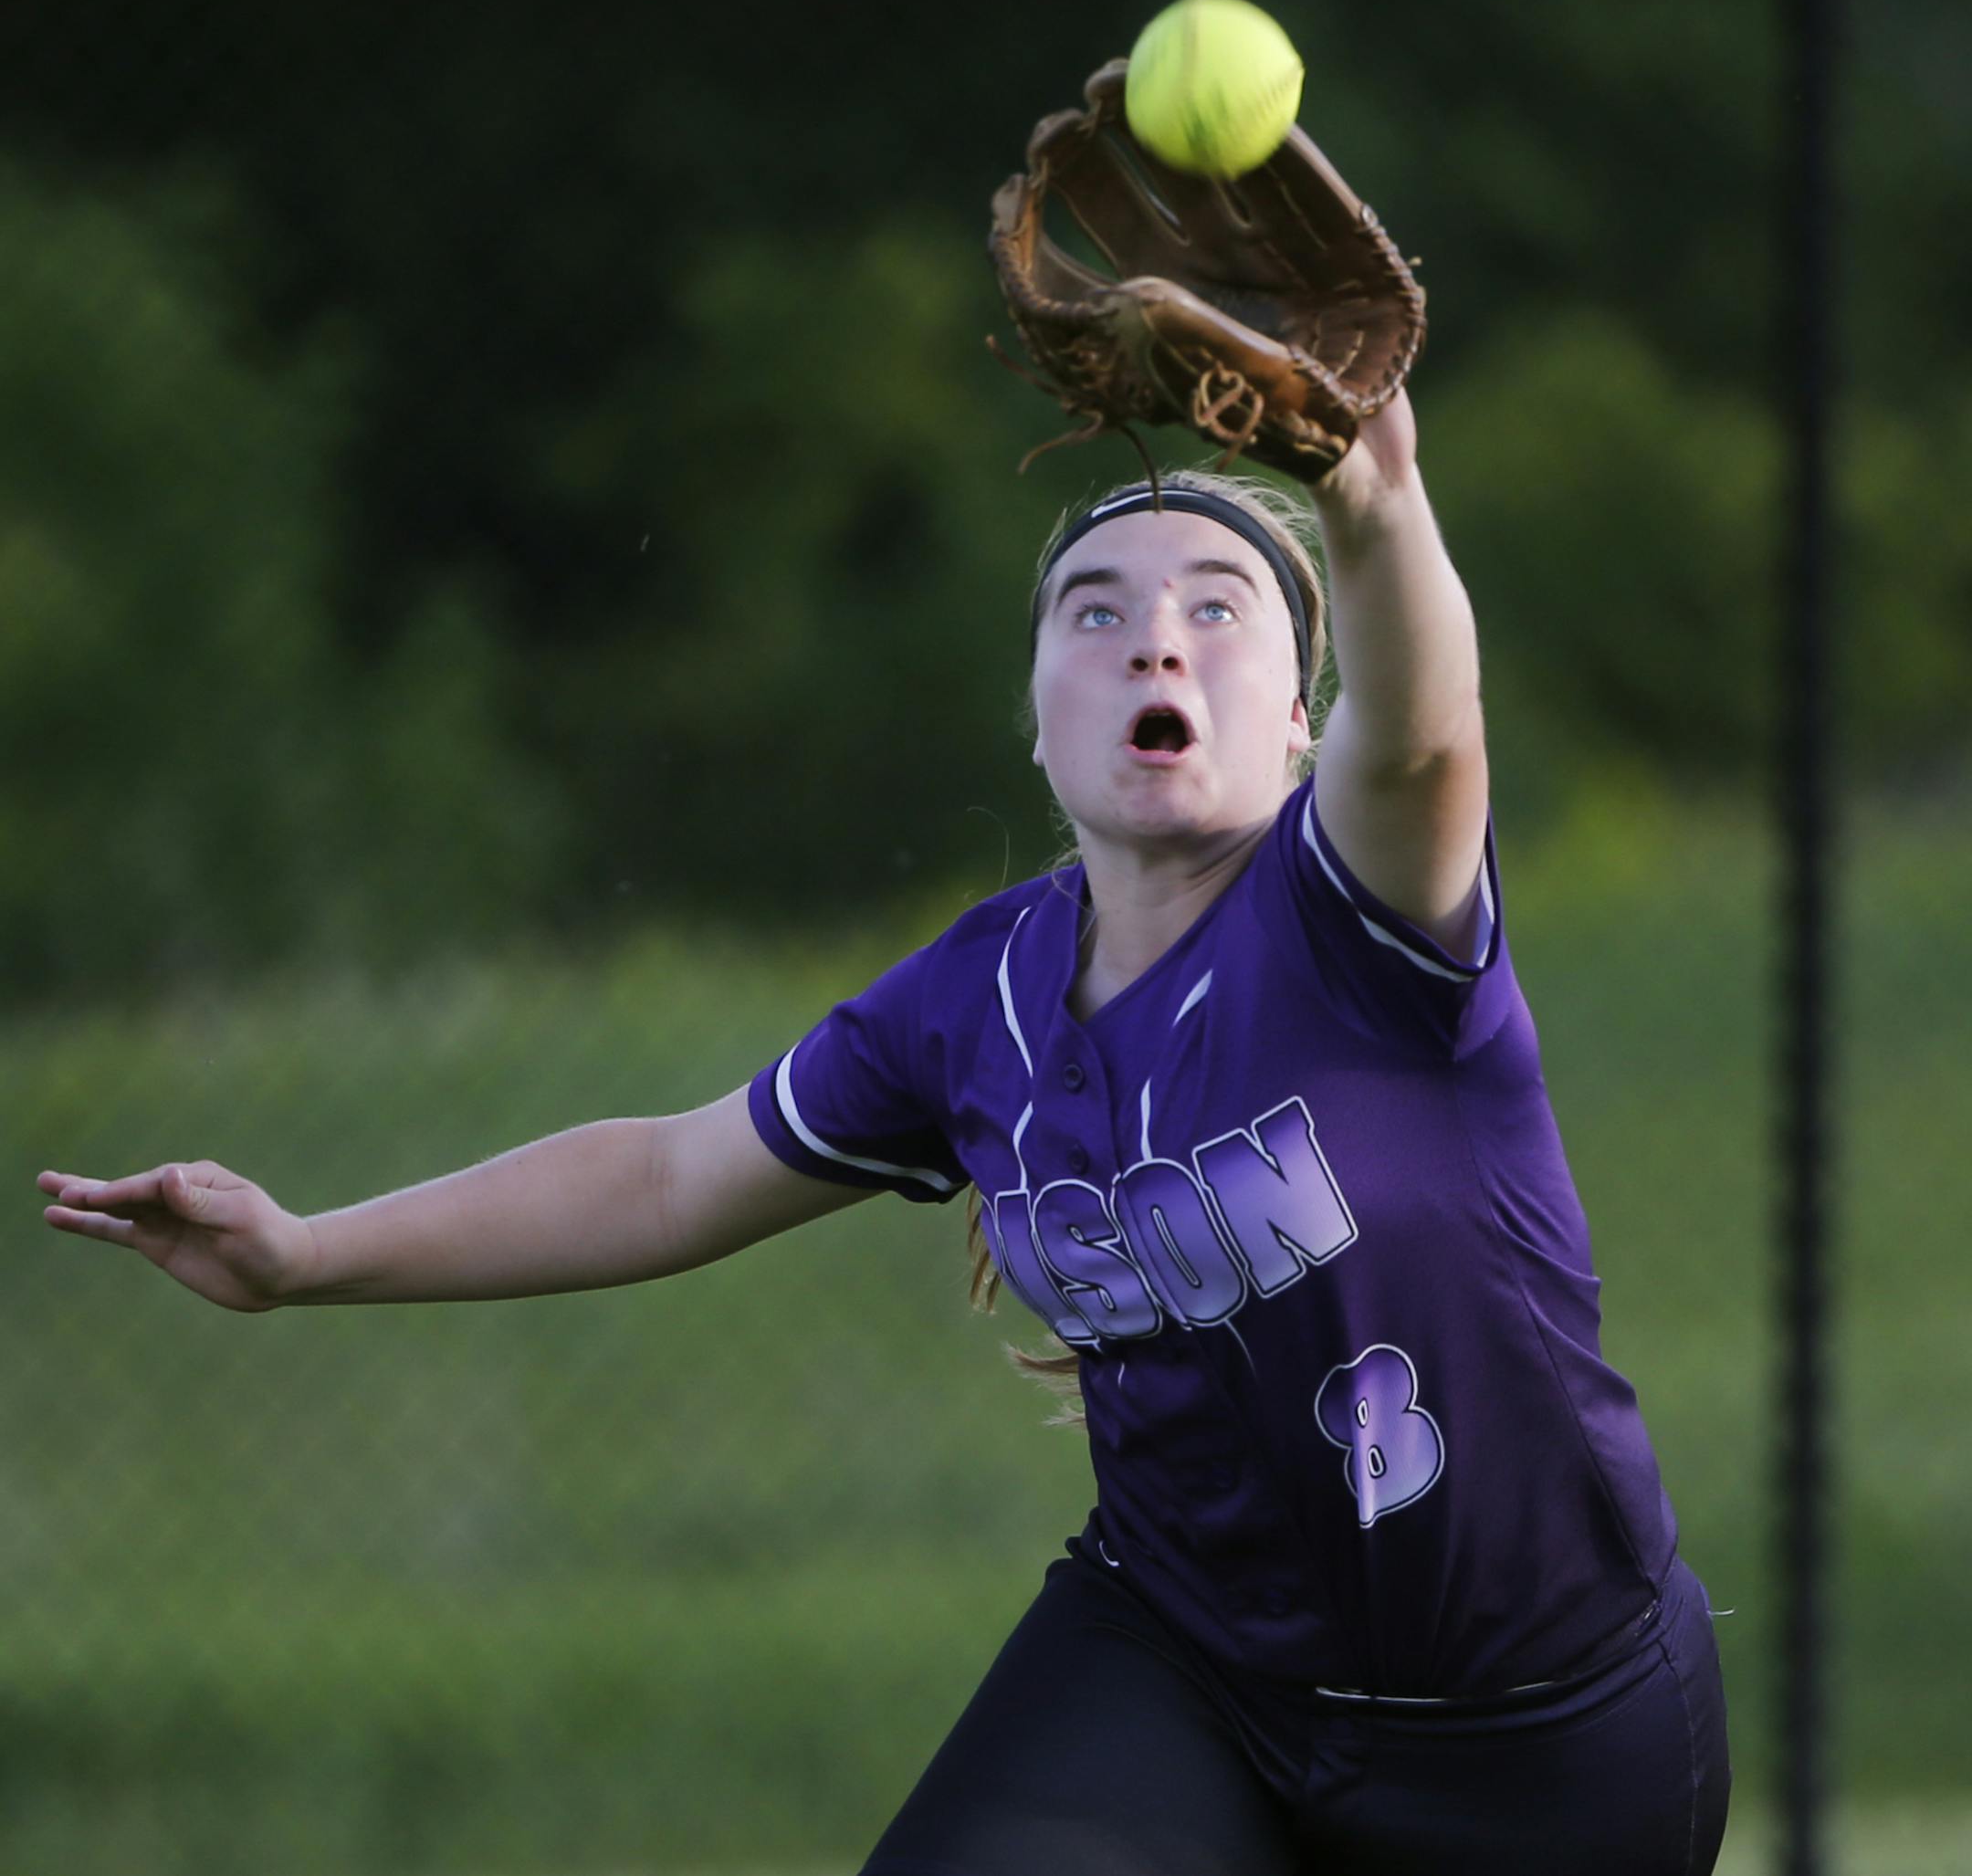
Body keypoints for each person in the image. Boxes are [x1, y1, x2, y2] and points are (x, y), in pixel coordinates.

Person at [38, 387, 1730, 1874]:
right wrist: (305, 1252)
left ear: (1302, 721)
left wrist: (1375, 499)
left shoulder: (1363, 918)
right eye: (1097, 610)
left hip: (1543, 1725)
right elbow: (666, 1171)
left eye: (1222, 610)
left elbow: (1429, 726)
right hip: (1190, 1659)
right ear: (1038, 713)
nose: (1157, 640)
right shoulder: (971, 1001)